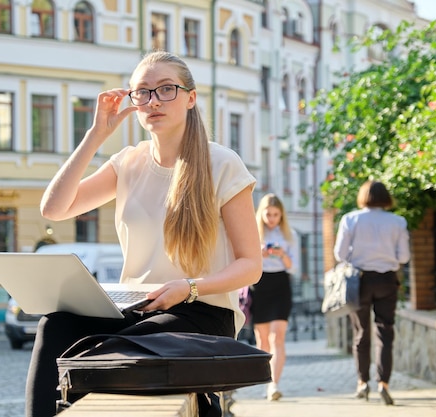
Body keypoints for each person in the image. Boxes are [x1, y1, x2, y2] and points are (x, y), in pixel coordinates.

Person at [29, 51, 262, 417]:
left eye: (166, 89)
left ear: (191, 98)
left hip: (201, 310)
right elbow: (54, 209)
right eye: (142, 92)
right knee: (55, 327)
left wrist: (190, 287)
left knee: (103, 350)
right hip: (136, 307)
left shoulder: (222, 163)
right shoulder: (128, 162)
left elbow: (251, 265)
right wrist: (95, 135)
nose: (153, 101)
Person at [333, 180, 410, 405]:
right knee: (385, 332)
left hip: (359, 280)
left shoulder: (351, 219)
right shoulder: (398, 222)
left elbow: (339, 253)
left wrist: (357, 256)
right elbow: (404, 257)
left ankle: (362, 383)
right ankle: (383, 383)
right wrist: (388, 258)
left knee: (361, 332)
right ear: (386, 196)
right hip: (387, 279)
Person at [249, 193, 296, 401]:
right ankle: (265, 382)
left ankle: (274, 384)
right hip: (259, 285)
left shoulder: (289, 235)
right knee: (263, 340)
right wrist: (260, 254)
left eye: (276, 215)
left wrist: (281, 254)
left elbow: (292, 267)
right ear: (262, 213)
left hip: (281, 285)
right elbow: (245, 262)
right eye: (268, 214)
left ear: (281, 215)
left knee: (278, 336)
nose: (272, 218)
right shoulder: (252, 234)